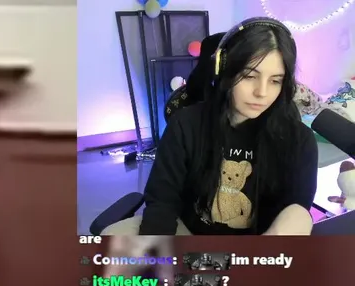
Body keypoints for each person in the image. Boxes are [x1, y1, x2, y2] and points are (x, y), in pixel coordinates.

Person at [110, 18, 318, 235]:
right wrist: (159, 250)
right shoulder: (185, 125)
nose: (262, 93)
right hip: (188, 233)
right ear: (223, 70)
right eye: (249, 76)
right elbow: (162, 201)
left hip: (258, 246)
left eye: (275, 80)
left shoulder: (298, 139)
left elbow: (296, 211)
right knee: (111, 239)